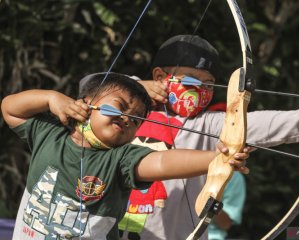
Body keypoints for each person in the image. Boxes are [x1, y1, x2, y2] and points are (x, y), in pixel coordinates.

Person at [76, 35, 299, 240]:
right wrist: (137, 86)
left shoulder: (208, 123)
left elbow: (255, 125)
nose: (201, 89)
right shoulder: (129, 112)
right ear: (159, 77)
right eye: (192, 79)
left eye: (209, 83)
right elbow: (91, 86)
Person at [0, 73, 250, 240]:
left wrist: (216, 159)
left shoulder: (120, 159)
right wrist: (51, 98)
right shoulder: (50, 133)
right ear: (84, 103)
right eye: (119, 106)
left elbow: (161, 162)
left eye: (136, 119)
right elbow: (9, 108)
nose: (127, 118)